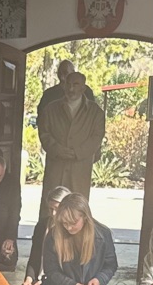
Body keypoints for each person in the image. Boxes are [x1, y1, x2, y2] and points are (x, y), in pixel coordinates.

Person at [36, 69, 106, 201]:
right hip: (56, 166)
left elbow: (97, 137)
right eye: (68, 84)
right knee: (51, 207)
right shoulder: (50, 109)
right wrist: (57, 149)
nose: (71, 88)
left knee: (77, 207)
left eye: (76, 84)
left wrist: (77, 152)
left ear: (83, 88)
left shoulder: (95, 112)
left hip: (79, 169)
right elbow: (44, 133)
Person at [22, 187, 68, 284]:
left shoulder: (69, 230)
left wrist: (42, 283)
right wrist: (29, 278)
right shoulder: (42, 225)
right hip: (38, 279)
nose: (54, 213)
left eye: (57, 209)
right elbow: (35, 255)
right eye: (51, 209)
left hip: (57, 283)